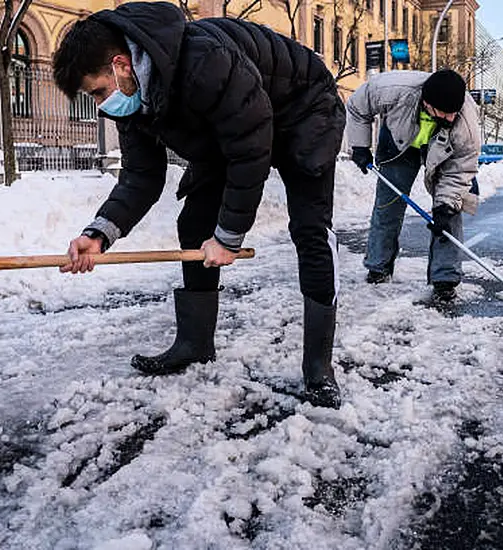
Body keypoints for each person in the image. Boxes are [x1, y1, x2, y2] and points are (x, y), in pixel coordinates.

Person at [52, 2, 346, 408]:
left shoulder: (204, 60)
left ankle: (319, 367)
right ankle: (194, 342)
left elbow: (250, 148)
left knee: (310, 229)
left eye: (98, 91)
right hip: (235, 123)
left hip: (303, 106)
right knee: (194, 224)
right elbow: (141, 177)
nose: (102, 104)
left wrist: (228, 237)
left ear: (121, 65)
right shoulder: (134, 95)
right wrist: (98, 234)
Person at [346, 69, 480, 302]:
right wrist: (360, 145)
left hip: (443, 152)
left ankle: (445, 278)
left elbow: (460, 170)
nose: (450, 118)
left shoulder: (465, 123)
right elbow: (357, 107)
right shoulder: (391, 89)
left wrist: (445, 206)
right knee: (388, 205)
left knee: (450, 213)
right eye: (445, 112)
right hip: (399, 140)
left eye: (453, 113)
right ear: (427, 103)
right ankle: (378, 267)